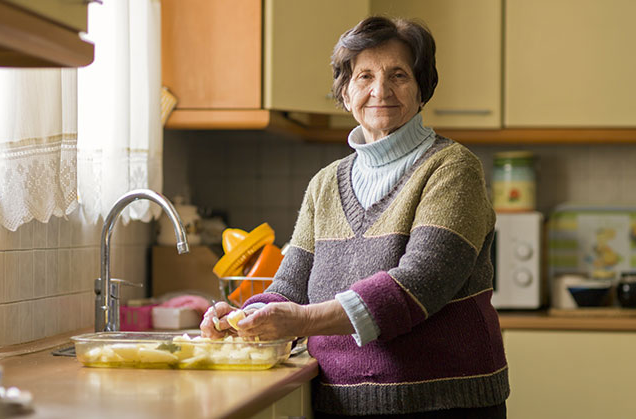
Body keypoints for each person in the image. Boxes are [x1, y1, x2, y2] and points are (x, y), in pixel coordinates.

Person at [201, 16, 509, 418]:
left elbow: (419, 284)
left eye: (398, 74)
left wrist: (302, 320)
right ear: (345, 93)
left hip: (442, 402)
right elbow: (289, 286)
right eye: (364, 76)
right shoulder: (324, 184)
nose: (380, 90)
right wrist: (244, 316)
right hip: (338, 402)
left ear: (422, 90)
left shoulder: (452, 168)